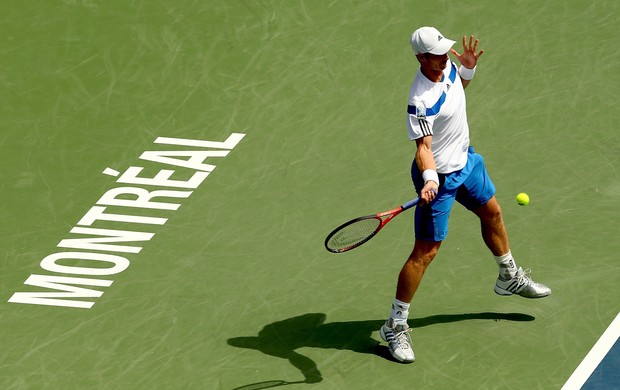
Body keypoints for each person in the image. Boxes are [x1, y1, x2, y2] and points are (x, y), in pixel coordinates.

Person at [379, 26, 551, 364]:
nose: (445, 57)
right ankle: (394, 324)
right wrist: (429, 179)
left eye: (446, 51)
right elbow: (423, 148)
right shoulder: (419, 100)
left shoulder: (449, 68)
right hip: (439, 178)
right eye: (437, 54)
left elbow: (458, 90)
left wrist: (468, 67)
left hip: (467, 162)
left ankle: (507, 276)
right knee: (425, 252)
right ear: (420, 58)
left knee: (493, 213)